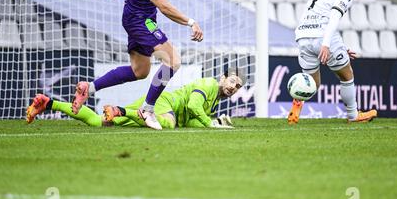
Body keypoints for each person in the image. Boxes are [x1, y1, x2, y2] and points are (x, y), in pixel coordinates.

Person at [72, 0, 203, 130]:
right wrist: (190, 22)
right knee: (173, 60)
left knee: (140, 70)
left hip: (142, 18)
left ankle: (88, 88)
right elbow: (164, 6)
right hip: (139, 19)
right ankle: (147, 110)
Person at [288, 0, 377, 124]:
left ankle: (295, 108)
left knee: (312, 84)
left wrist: (338, 48)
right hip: (322, 36)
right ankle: (353, 115)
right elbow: (334, 16)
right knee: (347, 75)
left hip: (303, 35)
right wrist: (326, 44)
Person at [27, 69, 244, 129]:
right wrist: (211, 124)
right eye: (232, 81)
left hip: (160, 106)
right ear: (222, 77)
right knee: (167, 124)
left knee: (100, 122)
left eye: (238, 86)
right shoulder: (207, 85)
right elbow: (192, 105)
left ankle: (49, 103)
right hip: (164, 102)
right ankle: (121, 110)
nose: (234, 87)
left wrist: (213, 122)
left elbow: (192, 120)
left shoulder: (216, 100)